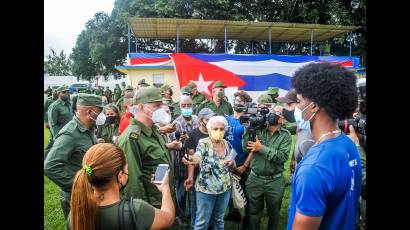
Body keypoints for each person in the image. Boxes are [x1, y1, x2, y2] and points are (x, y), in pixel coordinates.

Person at [286, 62, 362, 230]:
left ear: (314, 106)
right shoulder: (349, 144)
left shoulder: (313, 168)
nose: (296, 108)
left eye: (298, 102)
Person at [68, 143, 175, 230]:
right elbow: (168, 218)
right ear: (120, 176)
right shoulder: (137, 211)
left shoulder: (76, 215)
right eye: (127, 169)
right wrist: (165, 188)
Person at [44, 93, 104, 219]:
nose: (102, 115)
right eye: (100, 111)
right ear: (89, 112)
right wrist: (80, 186)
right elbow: (50, 166)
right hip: (76, 196)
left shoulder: (88, 128)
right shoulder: (70, 134)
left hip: (89, 192)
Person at [115, 86, 175, 208]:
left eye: (161, 105)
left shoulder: (153, 130)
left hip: (162, 198)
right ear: (140, 107)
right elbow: (132, 182)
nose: (161, 109)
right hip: (150, 206)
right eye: (156, 106)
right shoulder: (131, 139)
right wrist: (140, 212)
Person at [182, 116, 236, 230]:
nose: (219, 131)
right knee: (202, 222)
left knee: (219, 221)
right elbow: (198, 156)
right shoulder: (204, 143)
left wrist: (232, 164)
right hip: (206, 190)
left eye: (221, 129)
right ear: (209, 129)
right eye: (215, 128)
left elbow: (234, 166)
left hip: (224, 189)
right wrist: (191, 159)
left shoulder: (227, 144)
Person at [243, 105, 291, 230]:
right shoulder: (259, 129)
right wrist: (250, 131)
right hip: (255, 178)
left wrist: (261, 148)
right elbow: (245, 148)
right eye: (273, 111)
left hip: (274, 181)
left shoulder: (285, 136)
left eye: (278, 113)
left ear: (283, 120)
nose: (273, 114)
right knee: (253, 213)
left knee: (274, 214)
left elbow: (282, 157)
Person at [223, 90, 253, 227]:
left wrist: (245, 165)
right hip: (228, 161)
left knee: (245, 191)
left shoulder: (247, 122)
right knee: (230, 188)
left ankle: (247, 217)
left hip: (242, 161)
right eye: (237, 100)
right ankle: (233, 213)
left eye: (242, 101)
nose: (238, 103)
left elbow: (253, 146)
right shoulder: (227, 119)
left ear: (246, 104)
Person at [170, 95, 200, 227]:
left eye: (189, 105)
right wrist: (181, 140)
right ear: (180, 107)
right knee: (181, 192)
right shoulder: (175, 123)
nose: (187, 108)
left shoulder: (197, 120)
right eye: (184, 106)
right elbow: (171, 142)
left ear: (193, 106)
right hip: (180, 162)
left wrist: (192, 139)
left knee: (193, 191)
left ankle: (194, 214)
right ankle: (181, 215)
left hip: (195, 161)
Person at [184, 108, 214, 227]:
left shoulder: (215, 132)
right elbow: (190, 158)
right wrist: (191, 178)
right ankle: (194, 224)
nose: (211, 122)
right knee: (196, 206)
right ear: (202, 120)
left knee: (209, 205)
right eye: (208, 119)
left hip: (212, 177)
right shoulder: (193, 135)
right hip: (197, 175)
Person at [45, 86, 74, 160]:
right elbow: (52, 124)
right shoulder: (55, 106)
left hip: (68, 132)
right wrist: (57, 136)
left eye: (67, 92)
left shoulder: (70, 104)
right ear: (58, 94)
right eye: (64, 92)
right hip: (59, 133)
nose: (67, 94)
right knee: (51, 150)